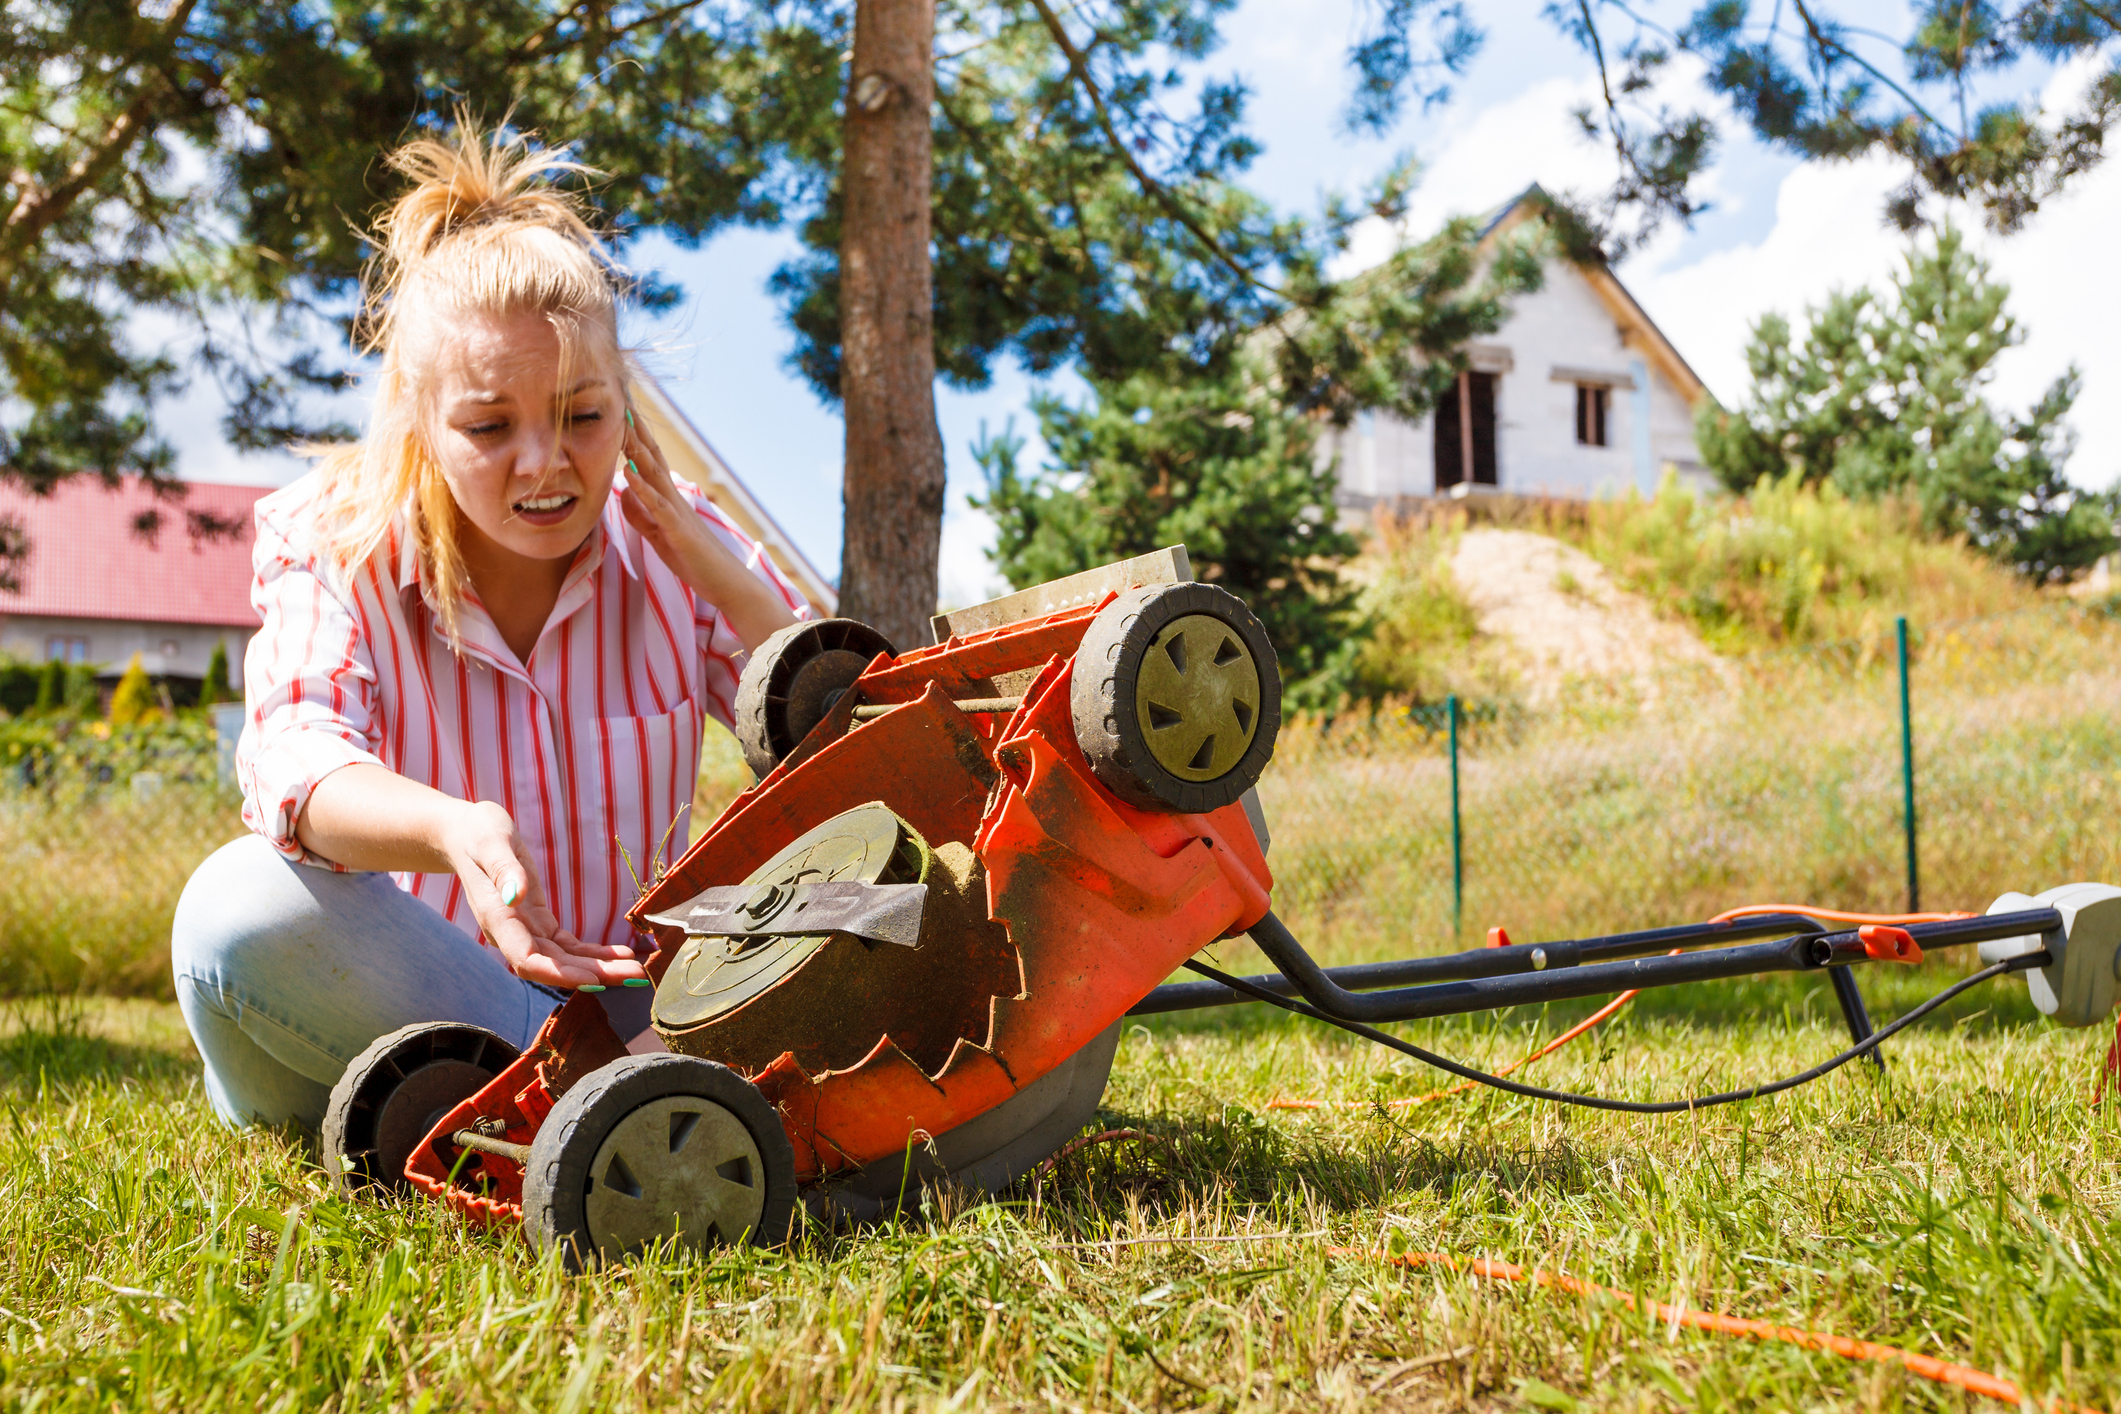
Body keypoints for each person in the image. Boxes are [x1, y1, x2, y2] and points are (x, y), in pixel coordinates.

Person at [170, 124, 808, 1132]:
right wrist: (450, 826)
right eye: (489, 425)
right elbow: (292, 760)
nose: (544, 463)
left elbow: (847, 742)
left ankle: (559, 1103)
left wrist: (706, 562)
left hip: (639, 1011)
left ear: (627, 406)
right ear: (420, 419)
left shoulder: (683, 541)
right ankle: (595, 1100)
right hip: (411, 1002)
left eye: (582, 415)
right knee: (236, 908)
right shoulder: (330, 536)